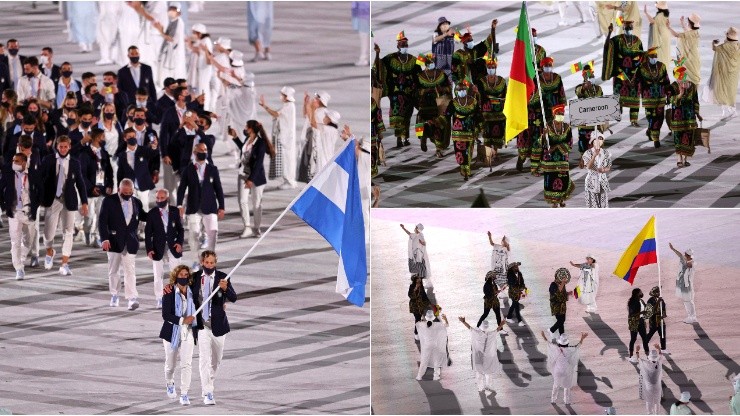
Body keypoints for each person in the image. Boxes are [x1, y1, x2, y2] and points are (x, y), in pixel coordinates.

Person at [190, 250, 237, 405]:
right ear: (202, 262)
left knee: (216, 360)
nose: (209, 265)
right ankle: (207, 392)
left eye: (212, 263)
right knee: (204, 359)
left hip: (218, 326)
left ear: (215, 263)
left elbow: (233, 297)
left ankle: (210, 381)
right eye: (207, 262)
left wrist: (225, 288)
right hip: (202, 325)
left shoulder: (223, 277)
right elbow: (188, 297)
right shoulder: (196, 277)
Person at [40, 136, 89, 275]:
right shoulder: (48, 160)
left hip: (69, 200)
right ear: (57, 146)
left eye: (65, 147)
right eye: (60, 146)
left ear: (69, 146)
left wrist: (84, 202)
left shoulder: (75, 163)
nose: (63, 149)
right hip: (53, 200)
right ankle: (50, 252)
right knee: (48, 233)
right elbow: (40, 180)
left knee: (68, 232)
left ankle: (64, 263)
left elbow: (80, 183)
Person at [176, 142, 225, 270]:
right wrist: (179, 205)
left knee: (212, 233)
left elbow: (218, 189)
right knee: (194, 234)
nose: (203, 152)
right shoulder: (189, 169)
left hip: (210, 207)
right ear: (195, 152)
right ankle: (195, 261)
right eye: (200, 150)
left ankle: (210, 260)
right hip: (193, 207)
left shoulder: (213, 169)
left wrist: (222, 207)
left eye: (205, 150)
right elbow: (182, 188)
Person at [99, 178, 146, 310]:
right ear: (119, 190)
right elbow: (102, 221)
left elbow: (143, 216)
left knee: (130, 271)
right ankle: (114, 295)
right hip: (113, 241)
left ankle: (132, 298)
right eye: (125, 192)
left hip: (130, 242)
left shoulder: (137, 202)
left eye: (130, 192)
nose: (127, 194)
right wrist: (104, 239)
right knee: (113, 270)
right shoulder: (109, 201)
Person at [159, 264, 200, 406]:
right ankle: (170, 382)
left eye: (186, 274)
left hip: (188, 331)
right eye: (181, 275)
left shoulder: (192, 291)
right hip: (172, 331)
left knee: (186, 364)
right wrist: (183, 320)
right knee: (170, 365)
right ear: (175, 277)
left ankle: (184, 393)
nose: (184, 277)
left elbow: (203, 274)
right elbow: (165, 315)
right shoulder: (169, 292)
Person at [0, 152, 41, 280]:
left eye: (17, 161)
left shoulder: (33, 174)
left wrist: (35, 207)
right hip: (14, 212)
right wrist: (4, 206)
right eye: (13, 161)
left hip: (28, 211)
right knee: (15, 242)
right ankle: (18, 268)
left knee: (28, 241)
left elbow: (41, 191)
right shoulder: (8, 174)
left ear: (24, 162)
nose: (14, 163)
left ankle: (21, 258)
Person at [377, 32, 419, 148]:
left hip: (409, 93)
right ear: (397, 46)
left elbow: (419, 74)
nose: (404, 46)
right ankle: (399, 138)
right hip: (395, 93)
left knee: (407, 115)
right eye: (402, 44)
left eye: (406, 44)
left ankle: (405, 137)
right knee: (398, 115)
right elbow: (379, 65)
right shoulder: (390, 59)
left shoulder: (413, 60)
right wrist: (376, 54)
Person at [228, 121, 268, 238]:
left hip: (256, 177)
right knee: (242, 201)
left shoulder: (260, 143)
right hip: (243, 174)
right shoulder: (247, 139)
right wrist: (235, 137)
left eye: (246, 127)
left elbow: (259, 163)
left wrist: (251, 179)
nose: (245, 128)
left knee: (256, 204)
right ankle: (247, 227)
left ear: (251, 129)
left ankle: (257, 228)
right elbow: (244, 150)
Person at [145, 189, 184, 309]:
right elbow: (148, 233)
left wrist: (179, 243)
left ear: (167, 198)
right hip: (158, 248)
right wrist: (149, 249)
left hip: (173, 247)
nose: (159, 200)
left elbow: (180, 229)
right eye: (157, 198)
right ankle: (159, 298)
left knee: (176, 273)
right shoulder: (152, 213)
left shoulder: (174, 211)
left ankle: (176, 297)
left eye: (162, 198)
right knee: (158, 274)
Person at [602, 20, 645, 127]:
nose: (628, 30)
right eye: (626, 28)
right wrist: (609, 33)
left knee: (635, 98)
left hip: (634, 74)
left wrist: (640, 72)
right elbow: (608, 46)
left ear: (632, 28)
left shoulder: (637, 41)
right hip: (620, 73)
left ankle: (634, 120)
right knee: (618, 97)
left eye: (630, 28)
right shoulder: (618, 39)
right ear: (623, 28)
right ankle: (617, 113)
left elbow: (642, 57)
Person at [77, 127, 114, 247]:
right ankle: (87, 231)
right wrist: (90, 187)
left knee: (101, 214)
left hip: (102, 189)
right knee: (89, 215)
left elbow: (109, 171)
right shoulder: (84, 154)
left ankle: (97, 235)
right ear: (97, 137)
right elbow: (82, 173)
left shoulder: (104, 153)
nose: (104, 139)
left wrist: (110, 185)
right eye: (103, 137)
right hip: (89, 190)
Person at [260, 86, 297, 189]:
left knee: (287, 160)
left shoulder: (289, 106)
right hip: (286, 137)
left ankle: (289, 181)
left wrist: (265, 106)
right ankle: (288, 180)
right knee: (287, 159)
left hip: (286, 138)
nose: (280, 96)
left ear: (286, 96)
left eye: (282, 94)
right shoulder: (288, 105)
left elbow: (275, 114)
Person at [116, 127, 160, 213]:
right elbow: (120, 172)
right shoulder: (122, 155)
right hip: (130, 187)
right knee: (129, 208)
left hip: (143, 184)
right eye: (129, 137)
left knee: (144, 207)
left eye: (133, 136)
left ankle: (144, 225)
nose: (132, 138)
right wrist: (119, 186)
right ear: (125, 139)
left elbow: (153, 153)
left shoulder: (143, 150)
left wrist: (154, 147)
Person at [415, 53, 451, 155]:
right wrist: (424, 91)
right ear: (425, 64)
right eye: (429, 63)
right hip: (425, 104)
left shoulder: (441, 74)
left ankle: (438, 148)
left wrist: (441, 89)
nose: (431, 64)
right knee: (424, 122)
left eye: (432, 63)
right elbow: (415, 90)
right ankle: (424, 137)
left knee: (438, 125)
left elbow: (448, 87)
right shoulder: (420, 76)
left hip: (438, 104)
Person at [459, 316, 506, 393]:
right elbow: (497, 330)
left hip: (478, 356)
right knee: (488, 372)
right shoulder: (491, 334)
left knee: (479, 372)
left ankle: (480, 388)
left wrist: (463, 321)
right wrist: (501, 324)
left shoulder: (476, 333)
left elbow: (469, 328)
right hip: (488, 357)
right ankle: (489, 386)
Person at [541, 330, 588, 405]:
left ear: (559, 342)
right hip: (566, 371)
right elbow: (578, 346)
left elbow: (548, 343)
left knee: (556, 385)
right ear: (567, 343)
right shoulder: (570, 350)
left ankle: (553, 400)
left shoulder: (556, 349)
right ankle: (566, 401)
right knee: (567, 387)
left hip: (557, 371)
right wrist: (582, 338)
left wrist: (543, 336)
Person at [636, 47, 670, 148]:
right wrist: (639, 93)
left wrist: (668, 94)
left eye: (655, 56)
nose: (654, 58)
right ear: (648, 57)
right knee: (650, 116)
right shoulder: (642, 67)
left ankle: (656, 138)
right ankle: (650, 129)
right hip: (648, 97)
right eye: (652, 56)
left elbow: (666, 80)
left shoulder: (662, 66)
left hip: (660, 96)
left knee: (659, 117)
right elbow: (638, 82)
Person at [475, 55, 506, 167]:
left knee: (498, 133)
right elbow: (480, 96)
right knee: (487, 134)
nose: (491, 69)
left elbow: (505, 95)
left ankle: (496, 152)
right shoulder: (481, 81)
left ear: (495, 68)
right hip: (486, 114)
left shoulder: (502, 81)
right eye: (489, 67)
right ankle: (488, 153)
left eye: (493, 67)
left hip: (499, 113)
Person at [668, 66, 701, 168]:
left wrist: (697, 113)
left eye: (682, 74)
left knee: (688, 137)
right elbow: (670, 100)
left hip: (689, 117)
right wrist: (680, 94)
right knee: (678, 137)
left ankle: (685, 159)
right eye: (678, 75)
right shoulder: (673, 86)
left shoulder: (693, 86)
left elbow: (695, 101)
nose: (680, 78)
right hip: (677, 117)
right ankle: (679, 159)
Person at [447, 81, 480, 181]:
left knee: (469, 151)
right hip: (458, 132)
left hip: (470, 131)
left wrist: (481, 126)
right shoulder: (453, 102)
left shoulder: (473, 101)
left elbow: (478, 115)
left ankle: (467, 168)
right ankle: (463, 168)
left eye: (463, 90)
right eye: (459, 90)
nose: (462, 91)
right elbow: (447, 115)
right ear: (456, 91)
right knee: (460, 152)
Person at [704, 27, 740, 119]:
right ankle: (731, 110)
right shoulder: (738, 46)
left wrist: (713, 43)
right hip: (733, 75)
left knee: (722, 90)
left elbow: (714, 49)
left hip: (723, 73)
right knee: (731, 91)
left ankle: (725, 110)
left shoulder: (723, 46)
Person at [543, 104, 574, 207]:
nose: (560, 115)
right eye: (558, 113)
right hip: (550, 158)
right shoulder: (548, 126)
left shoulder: (567, 127)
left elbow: (570, 142)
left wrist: (557, 147)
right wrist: (544, 136)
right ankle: (554, 201)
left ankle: (561, 199)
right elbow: (541, 143)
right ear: (554, 114)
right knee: (551, 179)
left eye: (562, 113)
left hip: (562, 157)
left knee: (563, 178)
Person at [574, 64, 603, 161]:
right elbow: (578, 93)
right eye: (590, 77)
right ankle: (583, 156)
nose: (592, 78)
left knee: (596, 138)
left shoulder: (599, 89)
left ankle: (595, 155)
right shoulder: (580, 88)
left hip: (596, 119)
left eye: (593, 77)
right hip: (584, 121)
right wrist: (584, 87)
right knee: (583, 139)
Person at [154, 4, 187, 85]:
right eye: (170, 9)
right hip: (169, 53)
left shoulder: (178, 22)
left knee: (167, 75)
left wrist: (160, 31)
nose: (170, 11)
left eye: (173, 9)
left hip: (172, 54)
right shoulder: (173, 22)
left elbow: (171, 39)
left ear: (178, 11)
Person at [667, 13, 701, 86]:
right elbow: (687, 32)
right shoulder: (695, 33)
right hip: (694, 57)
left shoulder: (689, 34)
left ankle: (683, 92)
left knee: (682, 76)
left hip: (688, 58)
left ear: (690, 23)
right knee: (690, 78)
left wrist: (669, 27)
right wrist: (682, 23)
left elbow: (677, 35)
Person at [186, 23, 214, 111]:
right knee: (199, 88)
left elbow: (203, 53)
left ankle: (205, 108)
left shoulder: (206, 41)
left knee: (203, 88)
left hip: (204, 69)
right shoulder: (201, 40)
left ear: (200, 33)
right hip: (199, 69)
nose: (193, 34)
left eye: (194, 32)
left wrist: (189, 43)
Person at [416, 310, 449, 381]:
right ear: (433, 318)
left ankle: (419, 376)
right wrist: (445, 318)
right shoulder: (437, 325)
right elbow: (446, 325)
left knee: (424, 361)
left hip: (427, 346)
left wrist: (422, 318)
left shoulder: (422, 324)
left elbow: (417, 323)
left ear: (426, 317)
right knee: (436, 360)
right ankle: (436, 376)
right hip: (435, 345)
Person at [669, 242, 697, 323]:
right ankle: (692, 316)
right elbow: (680, 255)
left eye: (685, 254)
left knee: (688, 301)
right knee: (688, 301)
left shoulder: (692, 263)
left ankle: (691, 317)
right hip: (683, 283)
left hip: (686, 285)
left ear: (688, 255)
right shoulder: (685, 260)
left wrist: (687, 259)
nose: (684, 255)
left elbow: (690, 265)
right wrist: (673, 249)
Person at [582, 132, 612, 208]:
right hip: (591, 182)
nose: (599, 141)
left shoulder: (606, 153)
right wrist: (594, 155)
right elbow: (588, 166)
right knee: (593, 206)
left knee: (604, 206)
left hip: (603, 181)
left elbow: (608, 167)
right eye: (596, 139)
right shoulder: (587, 153)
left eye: (601, 139)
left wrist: (604, 169)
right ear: (592, 141)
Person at [636, 343, 664, 415]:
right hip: (657, 387)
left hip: (648, 388)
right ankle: (657, 413)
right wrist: (659, 348)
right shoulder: (659, 363)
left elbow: (638, 359)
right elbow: (661, 355)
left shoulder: (646, 364)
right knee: (657, 402)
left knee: (649, 401)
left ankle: (649, 413)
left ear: (649, 357)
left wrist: (637, 351)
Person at [643, 2, 671, 67]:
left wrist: (646, 13)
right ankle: (665, 67)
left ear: (658, 7)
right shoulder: (666, 15)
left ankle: (659, 68)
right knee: (665, 52)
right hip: (666, 34)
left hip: (660, 35)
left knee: (659, 53)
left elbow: (652, 21)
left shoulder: (659, 15)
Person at [95, 1, 122, 65]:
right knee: (115, 35)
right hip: (116, 12)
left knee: (104, 36)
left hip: (106, 13)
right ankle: (114, 56)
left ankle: (106, 58)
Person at [627, 287, 650, 363]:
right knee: (633, 338)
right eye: (640, 292)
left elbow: (646, 309)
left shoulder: (641, 301)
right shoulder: (632, 302)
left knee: (645, 338)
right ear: (637, 294)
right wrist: (641, 313)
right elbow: (631, 314)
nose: (641, 293)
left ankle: (648, 355)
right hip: (634, 322)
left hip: (641, 321)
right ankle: (630, 356)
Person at [488, 231, 510, 302]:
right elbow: (492, 243)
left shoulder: (507, 249)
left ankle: (505, 294)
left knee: (503, 282)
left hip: (503, 269)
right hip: (496, 268)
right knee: (497, 281)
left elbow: (507, 246)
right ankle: (503, 294)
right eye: (502, 241)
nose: (502, 242)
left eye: (504, 241)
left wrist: (504, 240)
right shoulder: (498, 246)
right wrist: (489, 236)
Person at [549, 268, 570, 339]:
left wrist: (568, 293)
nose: (562, 280)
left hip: (562, 306)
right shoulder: (553, 285)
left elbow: (563, 293)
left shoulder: (562, 284)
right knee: (561, 320)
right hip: (556, 306)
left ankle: (562, 335)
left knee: (561, 320)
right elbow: (558, 292)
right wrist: (563, 283)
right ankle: (552, 330)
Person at [645, 286, 668, 354]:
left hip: (660, 320)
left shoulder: (661, 300)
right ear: (654, 293)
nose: (659, 293)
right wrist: (658, 301)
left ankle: (663, 348)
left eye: (659, 291)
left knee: (662, 334)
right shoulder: (650, 300)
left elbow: (663, 308)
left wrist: (663, 314)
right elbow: (652, 311)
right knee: (650, 334)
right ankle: (645, 344)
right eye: (658, 292)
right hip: (653, 320)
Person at [506, 262, 526, 326]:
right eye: (515, 267)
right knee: (516, 305)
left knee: (514, 305)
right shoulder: (510, 275)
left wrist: (523, 287)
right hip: (513, 292)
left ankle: (508, 317)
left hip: (518, 292)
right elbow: (511, 285)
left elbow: (522, 282)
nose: (517, 267)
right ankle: (520, 321)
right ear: (512, 268)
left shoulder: (519, 274)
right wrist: (518, 290)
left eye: (517, 266)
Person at [351, 2, 370, 66]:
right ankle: (363, 58)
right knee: (364, 36)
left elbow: (355, 5)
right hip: (364, 13)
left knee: (363, 36)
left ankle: (363, 58)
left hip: (362, 14)